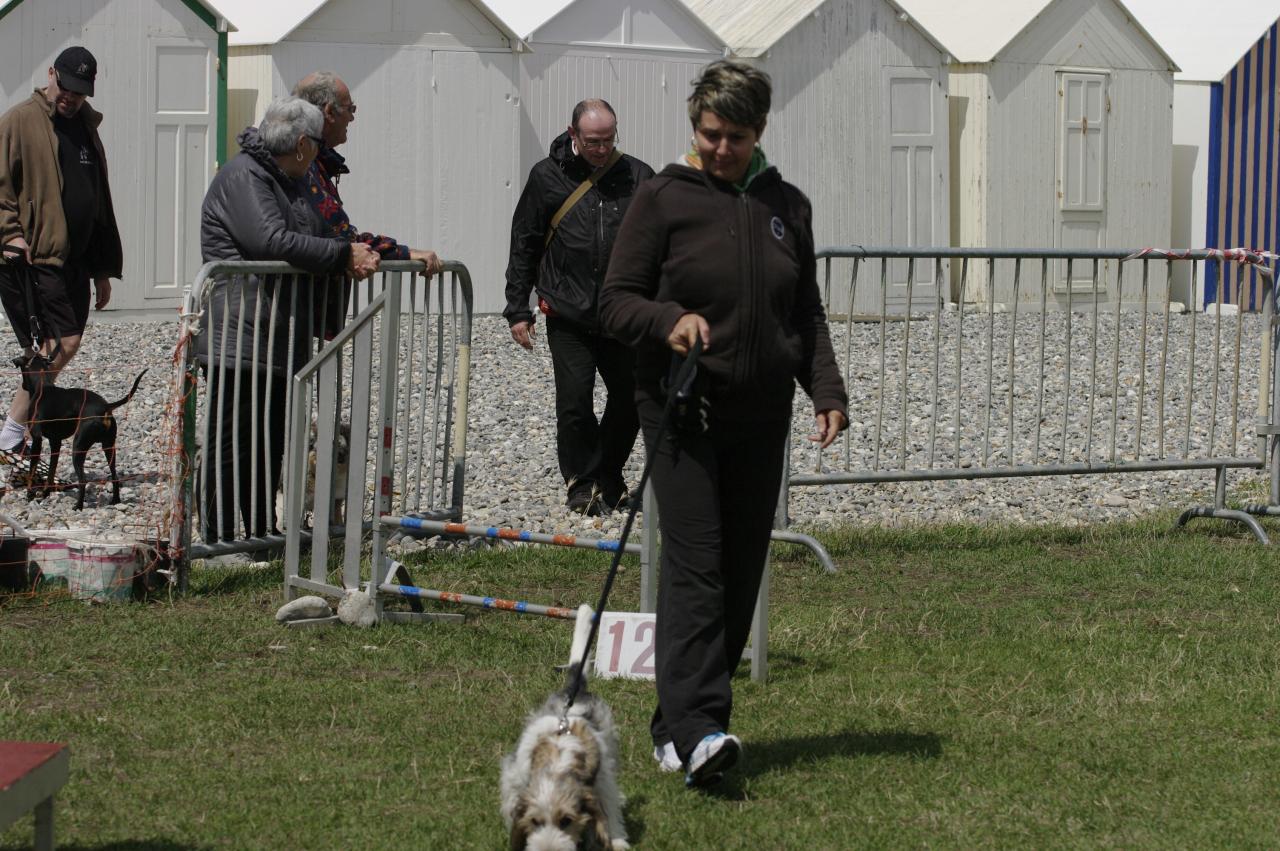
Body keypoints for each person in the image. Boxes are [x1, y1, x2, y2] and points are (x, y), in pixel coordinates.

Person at [599, 60, 849, 787]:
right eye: (710, 134)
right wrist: (669, 319)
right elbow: (615, 301)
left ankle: (672, 727)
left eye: (735, 137)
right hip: (682, 410)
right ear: (694, 126)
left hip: (760, 413)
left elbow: (803, 311)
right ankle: (703, 728)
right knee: (699, 565)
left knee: (739, 572)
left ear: (760, 131)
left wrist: (825, 389)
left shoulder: (787, 206)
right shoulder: (662, 198)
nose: (720, 149)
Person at [198, 96, 378, 541]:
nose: (320, 154)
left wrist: (348, 249)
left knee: (269, 439)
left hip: (276, 334)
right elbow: (274, 241)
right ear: (302, 144)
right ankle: (217, 537)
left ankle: (261, 533)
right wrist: (340, 255)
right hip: (239, 337)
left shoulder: (285, 178)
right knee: (231, 440)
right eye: (317, 145)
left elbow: (316, 232)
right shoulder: (246, 176)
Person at [504, 99, 654, 515]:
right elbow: (525, 242)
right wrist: (518, 307)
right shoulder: (546, 177)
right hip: (568, 312)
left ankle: (607, 473)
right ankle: (581, 483)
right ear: (572, 134)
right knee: (575, 401)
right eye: (592, 141)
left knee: (631, 398)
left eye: (608, 140)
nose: (602, 149)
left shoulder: (638, 175)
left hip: (621, 314)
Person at [0, 46, 123, 462]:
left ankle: (19, 432)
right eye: (66, 87)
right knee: (61, 341)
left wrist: (103, 269)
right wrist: (10, 235)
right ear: (51, 74)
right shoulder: (19, 121)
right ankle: (14, 430)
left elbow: (100, 200)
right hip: (37, 256)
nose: (71, 97)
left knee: (55, 346)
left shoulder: (87, 127)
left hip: (79, 259)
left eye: (81, 92)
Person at [292, 70, 441, 329]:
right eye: (350, 109)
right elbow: (340, 235)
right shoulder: (303, 165)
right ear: (329, 112)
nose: (352, 117)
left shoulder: (313, 163)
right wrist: (402, 253)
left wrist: (401, 253)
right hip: (289, 316)